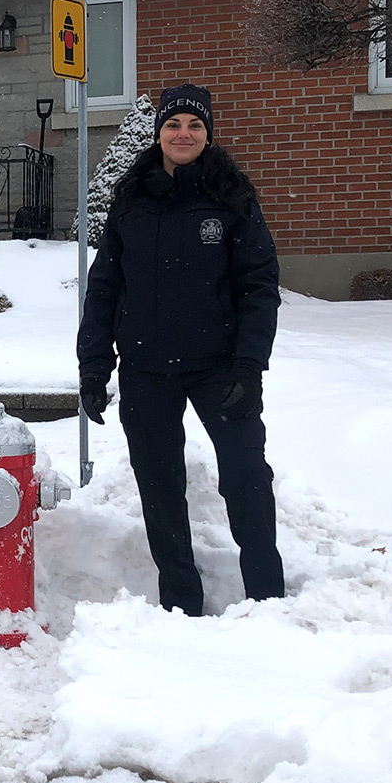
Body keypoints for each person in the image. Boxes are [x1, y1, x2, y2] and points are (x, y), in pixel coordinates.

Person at [76, 83, 283, 617]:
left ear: (207, 133)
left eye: (194, 125)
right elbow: (105, 287)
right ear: (159, 133)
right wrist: (95, 366)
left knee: (246, 477)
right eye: (173, 125)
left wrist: (248, 366)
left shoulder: (231, 196)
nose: (183, 134)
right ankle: (181, 603)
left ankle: (267, 596)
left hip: (220, 369)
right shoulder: (133, 200)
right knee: (160, 487)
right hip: (147, 371)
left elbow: (258, 285)